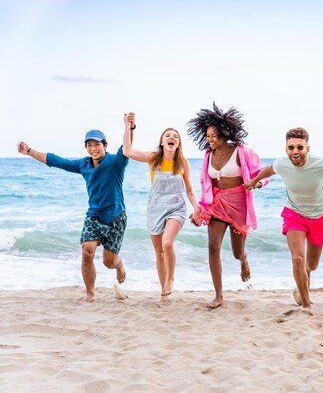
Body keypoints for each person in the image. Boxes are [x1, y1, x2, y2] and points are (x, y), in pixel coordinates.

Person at [244, 127, 323, 312]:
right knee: (297, 259)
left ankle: (303, 279)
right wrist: (252, 181)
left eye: (299, 147)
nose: (295, 151)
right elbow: (267, 171)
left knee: (311, 264)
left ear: (307, 149)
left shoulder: (320, 163)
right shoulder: (281, 163)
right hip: (294, 213)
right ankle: (306, 304)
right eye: (291, 148)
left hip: (319, 215)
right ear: (286, 149)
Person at [17, 122, 134, 302]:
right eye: (90, 145)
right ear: (86, 147)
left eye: (97, 144)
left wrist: (129, 127)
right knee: (87, 251)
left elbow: (126, 148)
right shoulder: (84, 165)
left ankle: (119, 266)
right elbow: (57, 161)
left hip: (115, 218)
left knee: (109, 262)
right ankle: (90, 294)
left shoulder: (115, 162)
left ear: (105, 146)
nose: (93, 149)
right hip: (94, 217)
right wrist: (29, 151)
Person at [187, 102, 268, 309]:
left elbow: (261, 172)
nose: (210, 139)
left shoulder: (242, 152)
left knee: (236, 252)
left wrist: (257, 182)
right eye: (207, 136)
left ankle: (243, 261)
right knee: (213, 247)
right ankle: (219, 295)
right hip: (218, 203)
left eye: (213, 135)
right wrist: (201, 209)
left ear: (225, 133)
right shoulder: (209, 154)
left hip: (239, 204)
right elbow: (207, 183)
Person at [122, 112, 200, 300]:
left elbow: (189, 190)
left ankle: (171, 279)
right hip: (155, 208)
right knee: (158, 252)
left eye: (175, 136)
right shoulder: (154, 158)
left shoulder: (182, 163)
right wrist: (128, 126)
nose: (171, 138)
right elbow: (127, 151)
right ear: (162, 142)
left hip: (176, 208)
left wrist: (196, 207)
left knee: (167, 243)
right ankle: (164, 291)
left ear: (178, 143)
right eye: (168, 136)